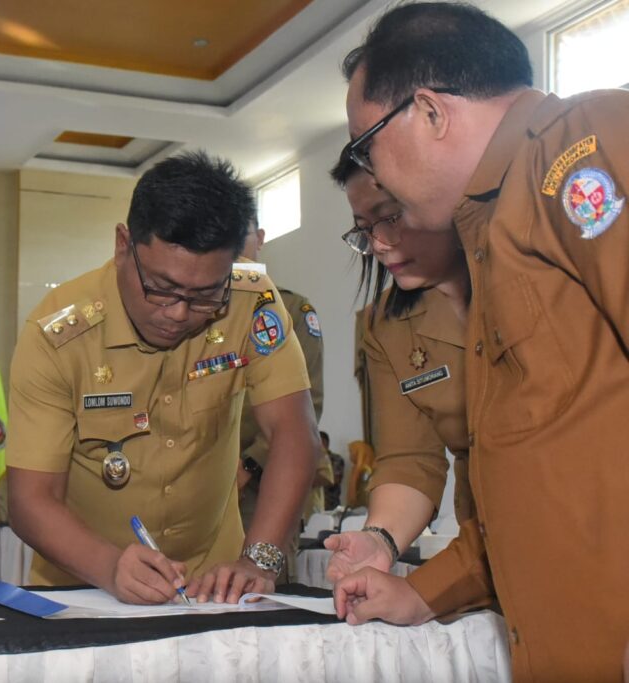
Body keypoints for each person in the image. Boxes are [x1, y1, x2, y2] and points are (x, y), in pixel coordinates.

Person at [334, 3, 629, 680]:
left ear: (429, 112)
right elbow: (534, 486)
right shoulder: (491, 234)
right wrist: (419, 593)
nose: (371, 171)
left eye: (365, 146)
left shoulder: (580, 145)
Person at [7, 151, 321, 605]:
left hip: (216, 585)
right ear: (123, 245)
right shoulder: (59, 335)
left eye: (205, 296)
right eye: (161, 288)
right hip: (84, 586)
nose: (177, 313)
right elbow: (30, 499)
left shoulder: (252, 303)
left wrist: (259, 560)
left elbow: (295, 433)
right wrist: (109, 567)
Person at [323, 152, 478, 587]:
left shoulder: (530, 274)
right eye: (364, 228)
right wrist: (380, 540)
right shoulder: (386, 324)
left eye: (390, 217)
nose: (378, 243)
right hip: (492, 543)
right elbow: (411, 459)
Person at [237, 217, 325, 534]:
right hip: (206, 480)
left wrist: (249, 465)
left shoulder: (290, 309)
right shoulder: (199, 308)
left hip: (265, 477)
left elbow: (309, 402)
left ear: (260, 237)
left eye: (241, 233)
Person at [320, 432, 344, 511]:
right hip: (316, 504)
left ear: (326, 444)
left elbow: (334, 480)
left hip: (331, 503)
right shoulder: (313, 459)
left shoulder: (336, 459)